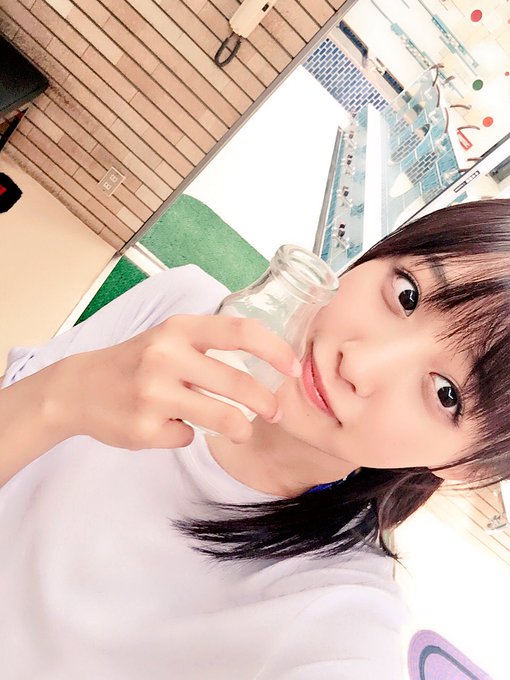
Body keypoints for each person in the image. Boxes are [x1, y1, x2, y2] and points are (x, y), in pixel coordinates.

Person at [1, 199, 509, 679]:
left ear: (466, 465)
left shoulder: (333, 608)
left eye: (446, 394)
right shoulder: (179, 310)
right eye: (406, 295)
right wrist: (59, 398)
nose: (358, 363)